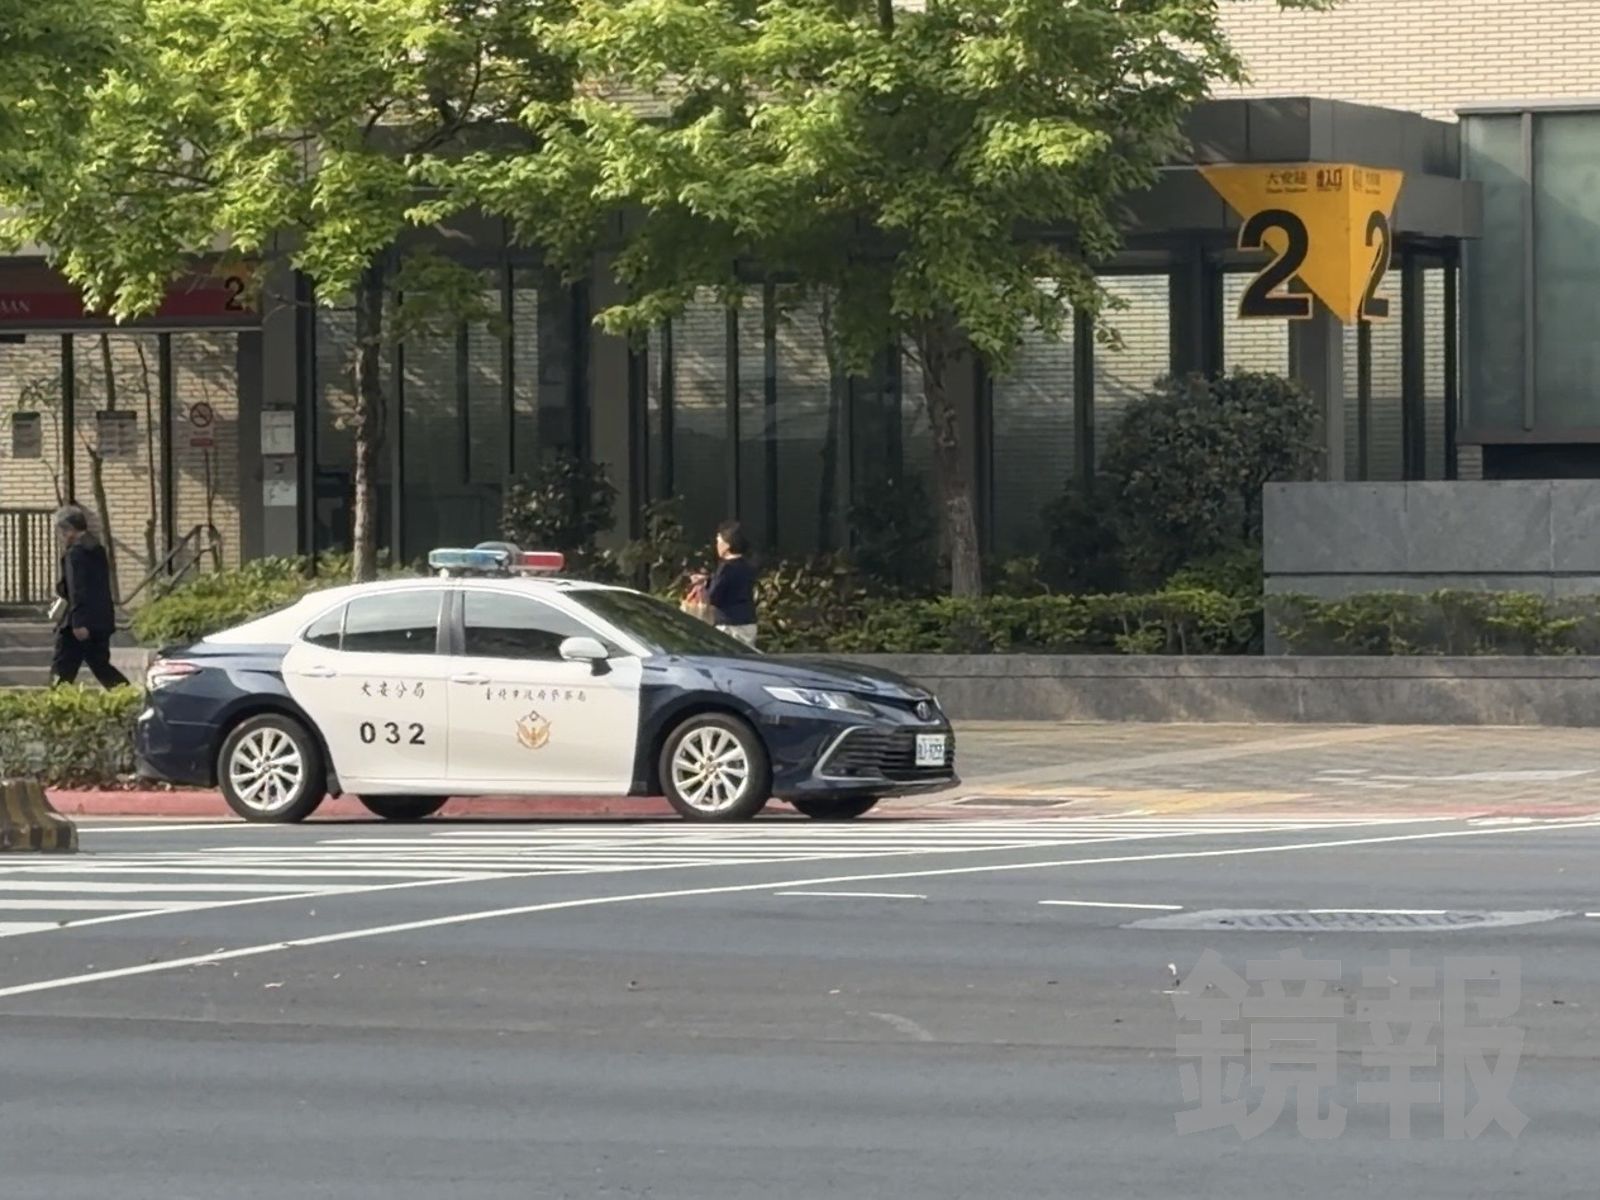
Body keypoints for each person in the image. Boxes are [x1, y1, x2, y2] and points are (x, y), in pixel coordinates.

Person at [51, 505, 129, 689]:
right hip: (100, 620)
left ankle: (54, 708)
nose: (60, 536)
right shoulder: (97, 548)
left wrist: (78, 622)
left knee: (62, 669)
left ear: (68, 529)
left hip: (77, 625)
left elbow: (78, 589)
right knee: (101, 666)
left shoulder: (75, 553)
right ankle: (130, 696)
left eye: (61, 531)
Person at [691, 520, 759, 647]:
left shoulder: (725, 568)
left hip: (729, 625)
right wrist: (708, 579)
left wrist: (704, 586)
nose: (716, 544)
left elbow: (714, 596)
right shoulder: (747, 564)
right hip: (748, 621)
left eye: (718, 540)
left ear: (727, 545)